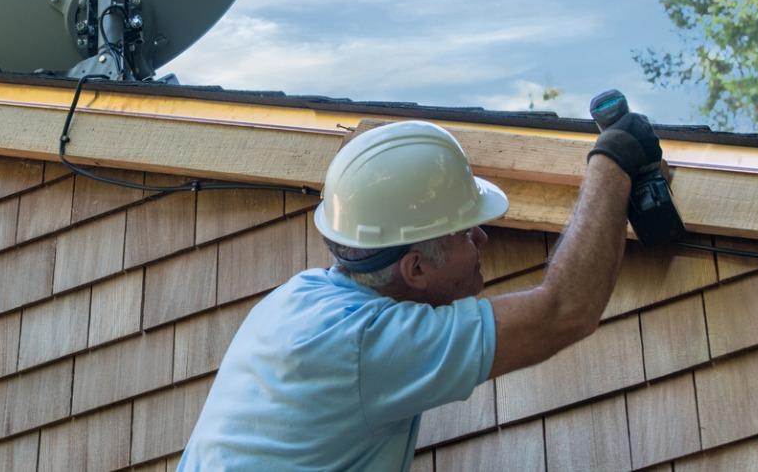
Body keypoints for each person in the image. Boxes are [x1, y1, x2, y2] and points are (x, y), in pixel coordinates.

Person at [178, 110, 661, 471]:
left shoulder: (301, 296)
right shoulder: (366, 346)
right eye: (466, 232)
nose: (483, 239)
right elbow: (564, 311)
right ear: (414, 269)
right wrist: (611, 161)